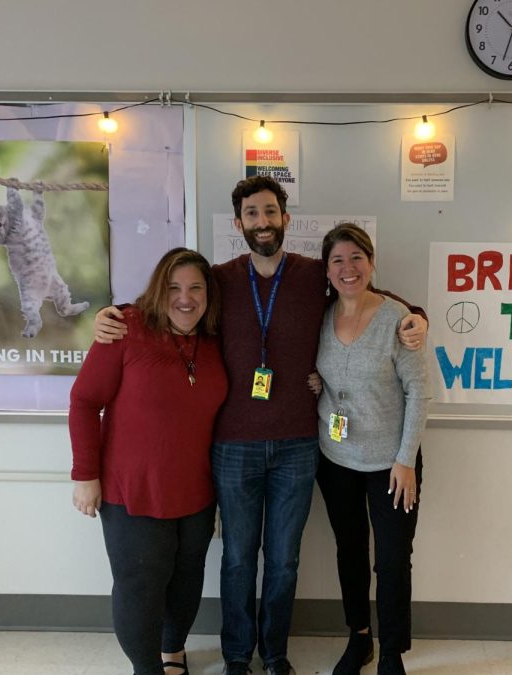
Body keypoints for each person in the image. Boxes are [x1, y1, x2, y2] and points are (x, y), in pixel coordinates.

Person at [92, 176, 427, 675]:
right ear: (238, 223)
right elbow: (166, 302)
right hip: (233, 446)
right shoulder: (221, 279)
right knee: (237, 561)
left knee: (284, 561)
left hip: (298, 444)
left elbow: (370, 294)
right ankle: (235, 657)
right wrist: (110, 313)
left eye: (271, 212)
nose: (263, 222)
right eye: (252, 214)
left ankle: (274, 654)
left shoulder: (316, 273)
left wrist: (417, 315)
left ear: (286, 218)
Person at [69, 248, 228, 675]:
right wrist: (85, 475)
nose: (185, 298)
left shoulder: (214, 339)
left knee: (186, 579)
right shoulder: (126, 329)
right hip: (131, 491)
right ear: (158, 291)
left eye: (196, 287)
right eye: (174, 287)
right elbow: (84, 402)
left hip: (196, 491)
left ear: (209, 295)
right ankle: (146, 667)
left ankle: (172, 651)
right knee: (140, 585)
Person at [315, 224, 430, 675]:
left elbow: (420, 392)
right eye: (338, 261)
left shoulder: (398, 320)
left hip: (391, 464)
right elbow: (324, 373)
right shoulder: (321, 317)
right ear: (327, 269)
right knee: (349, 551)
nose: (348, 269)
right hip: (336, 460)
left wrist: (405, 461)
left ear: (372, 262)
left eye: (356, 258)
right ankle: (359, 637)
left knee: (393, 559)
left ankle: (392, 652)